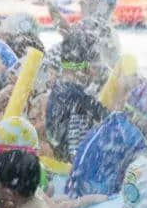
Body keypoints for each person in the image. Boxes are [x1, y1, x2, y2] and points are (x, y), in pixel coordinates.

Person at [44, 30, 109, 163]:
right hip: (72, 166)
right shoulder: (80, 99)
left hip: (58, 160)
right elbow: (109, 118)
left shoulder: (56, 91)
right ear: (86, 67)